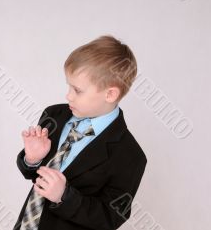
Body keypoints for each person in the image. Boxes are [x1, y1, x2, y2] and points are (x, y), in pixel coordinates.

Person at [14, 35, 147, 230]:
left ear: (110, 94)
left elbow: (109, 218)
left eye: (77, 90)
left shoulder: (130, 156)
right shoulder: (54, 115)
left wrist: (64, 197)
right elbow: (36, 177)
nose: (68, 95)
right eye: (68, 86)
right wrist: (32, 160)